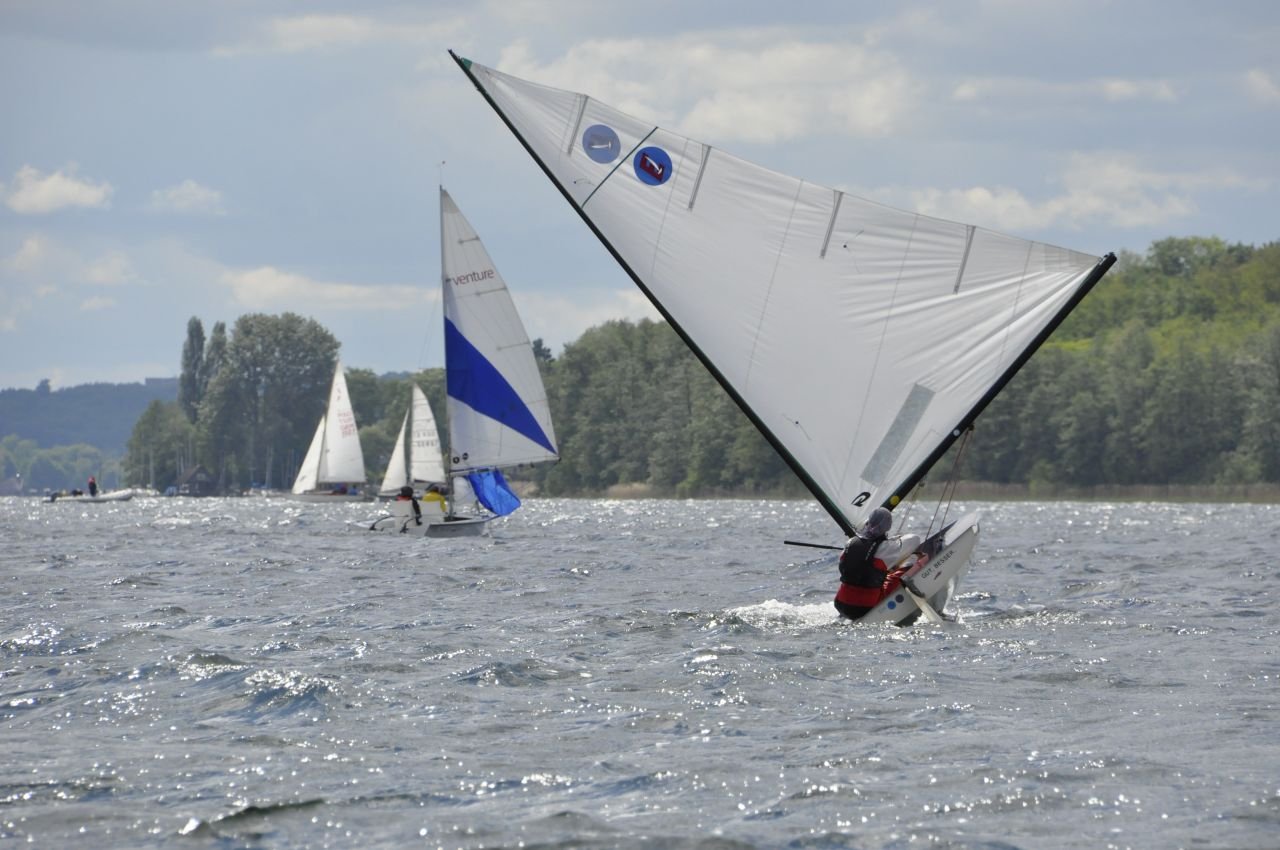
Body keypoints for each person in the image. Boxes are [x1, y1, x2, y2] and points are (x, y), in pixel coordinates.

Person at [834, 506, 922, 621]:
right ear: (888, 526)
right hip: (865, 607)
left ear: (868, 522)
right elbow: (915, 539)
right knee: (912, 559)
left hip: (840, 604)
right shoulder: (887, 548)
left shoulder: (850, 542)